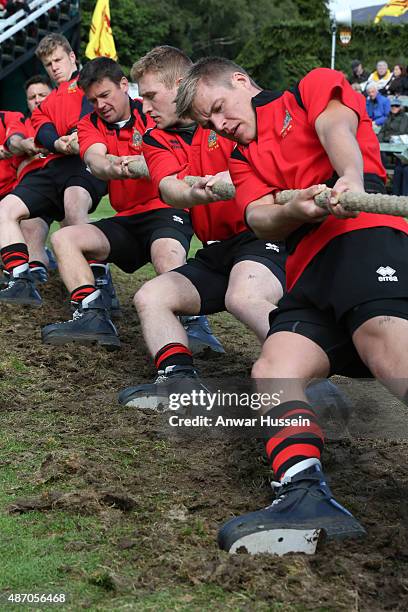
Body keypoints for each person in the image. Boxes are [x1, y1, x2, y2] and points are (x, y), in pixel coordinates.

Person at [175, 58, 408, 555]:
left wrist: (349, 178)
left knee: (388, 351)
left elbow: (337, 124)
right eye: (207, 122)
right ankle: (304, 493)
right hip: (308, 266)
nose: (219, 126)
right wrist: (294, 209)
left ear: (240, 81)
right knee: (274, 369)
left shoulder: (306, 91)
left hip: (364, 235)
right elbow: (259, 217)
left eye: (218, 108)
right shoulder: (242, 157)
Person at [117, 46, 286, 408]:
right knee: (150, 296)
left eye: (150, 96)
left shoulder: (231, 116)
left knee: (242, 297)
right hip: (216, 250)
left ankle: (304, 378)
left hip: (263, 238)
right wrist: (199, 188)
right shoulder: (154, 137)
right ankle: (179, 381)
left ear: (180, 85)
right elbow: (169, 188)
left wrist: (238, 177)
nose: (144, 107)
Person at [41, 56, 223, 355]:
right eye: (93, 100)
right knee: (63, 238)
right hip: (126, 218)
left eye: (105, 95)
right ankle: (92, 315)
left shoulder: (151, 112)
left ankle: (195, 324)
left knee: (166, 253)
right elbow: (95, 159)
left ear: (124, 86)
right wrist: (114, 167)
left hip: (166, 210)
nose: (100, 105)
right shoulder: (90, 123)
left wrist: (147, 162)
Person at [0, 33, 107, 308]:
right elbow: (43, 129)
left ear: (72, 57)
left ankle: (98, 284)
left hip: (81, 163)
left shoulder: (90, 82)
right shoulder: (46, 103)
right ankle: (20, 279)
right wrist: (57, 141)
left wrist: (76, 133)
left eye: (58, 59)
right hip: (53, 164)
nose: (54, 67)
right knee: (6, 209)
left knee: (74, 211)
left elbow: (93, 110)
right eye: (48, 64)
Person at [5, 75, 55, 285]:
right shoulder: (22, 124)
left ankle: (98, 275)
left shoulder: (63, 123)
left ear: (53, 95)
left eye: (42, 95)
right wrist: (26, 145)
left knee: (72, 209)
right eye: (32, 97)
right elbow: (14, 140)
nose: (37, 100)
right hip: (30, 188)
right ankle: (33, 263)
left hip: (59, 183)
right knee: (26, 221)